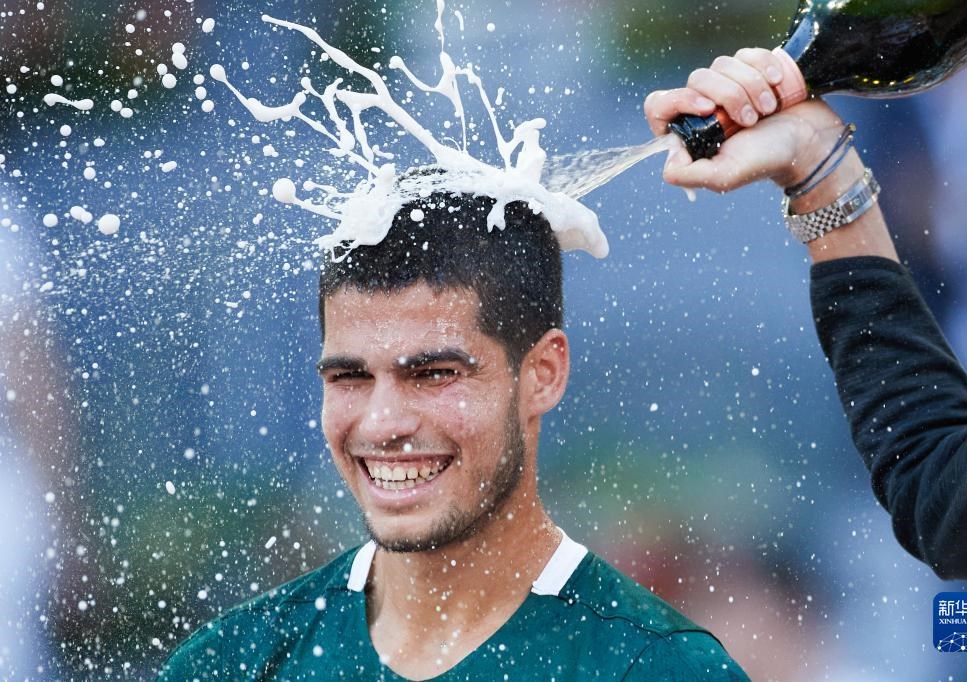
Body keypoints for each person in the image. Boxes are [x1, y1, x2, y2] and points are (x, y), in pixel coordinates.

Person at [160, 188, 748, 680]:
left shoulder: (656, 668)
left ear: (542, 374)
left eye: (434, 374)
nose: (382, 424)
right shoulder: (232, 662)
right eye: (349, 377)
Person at [643, 48, 967, 580]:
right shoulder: (912, 100)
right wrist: (817, 160)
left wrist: (821, 167)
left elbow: (954, 510)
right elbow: (953, 500)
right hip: (953, 387)